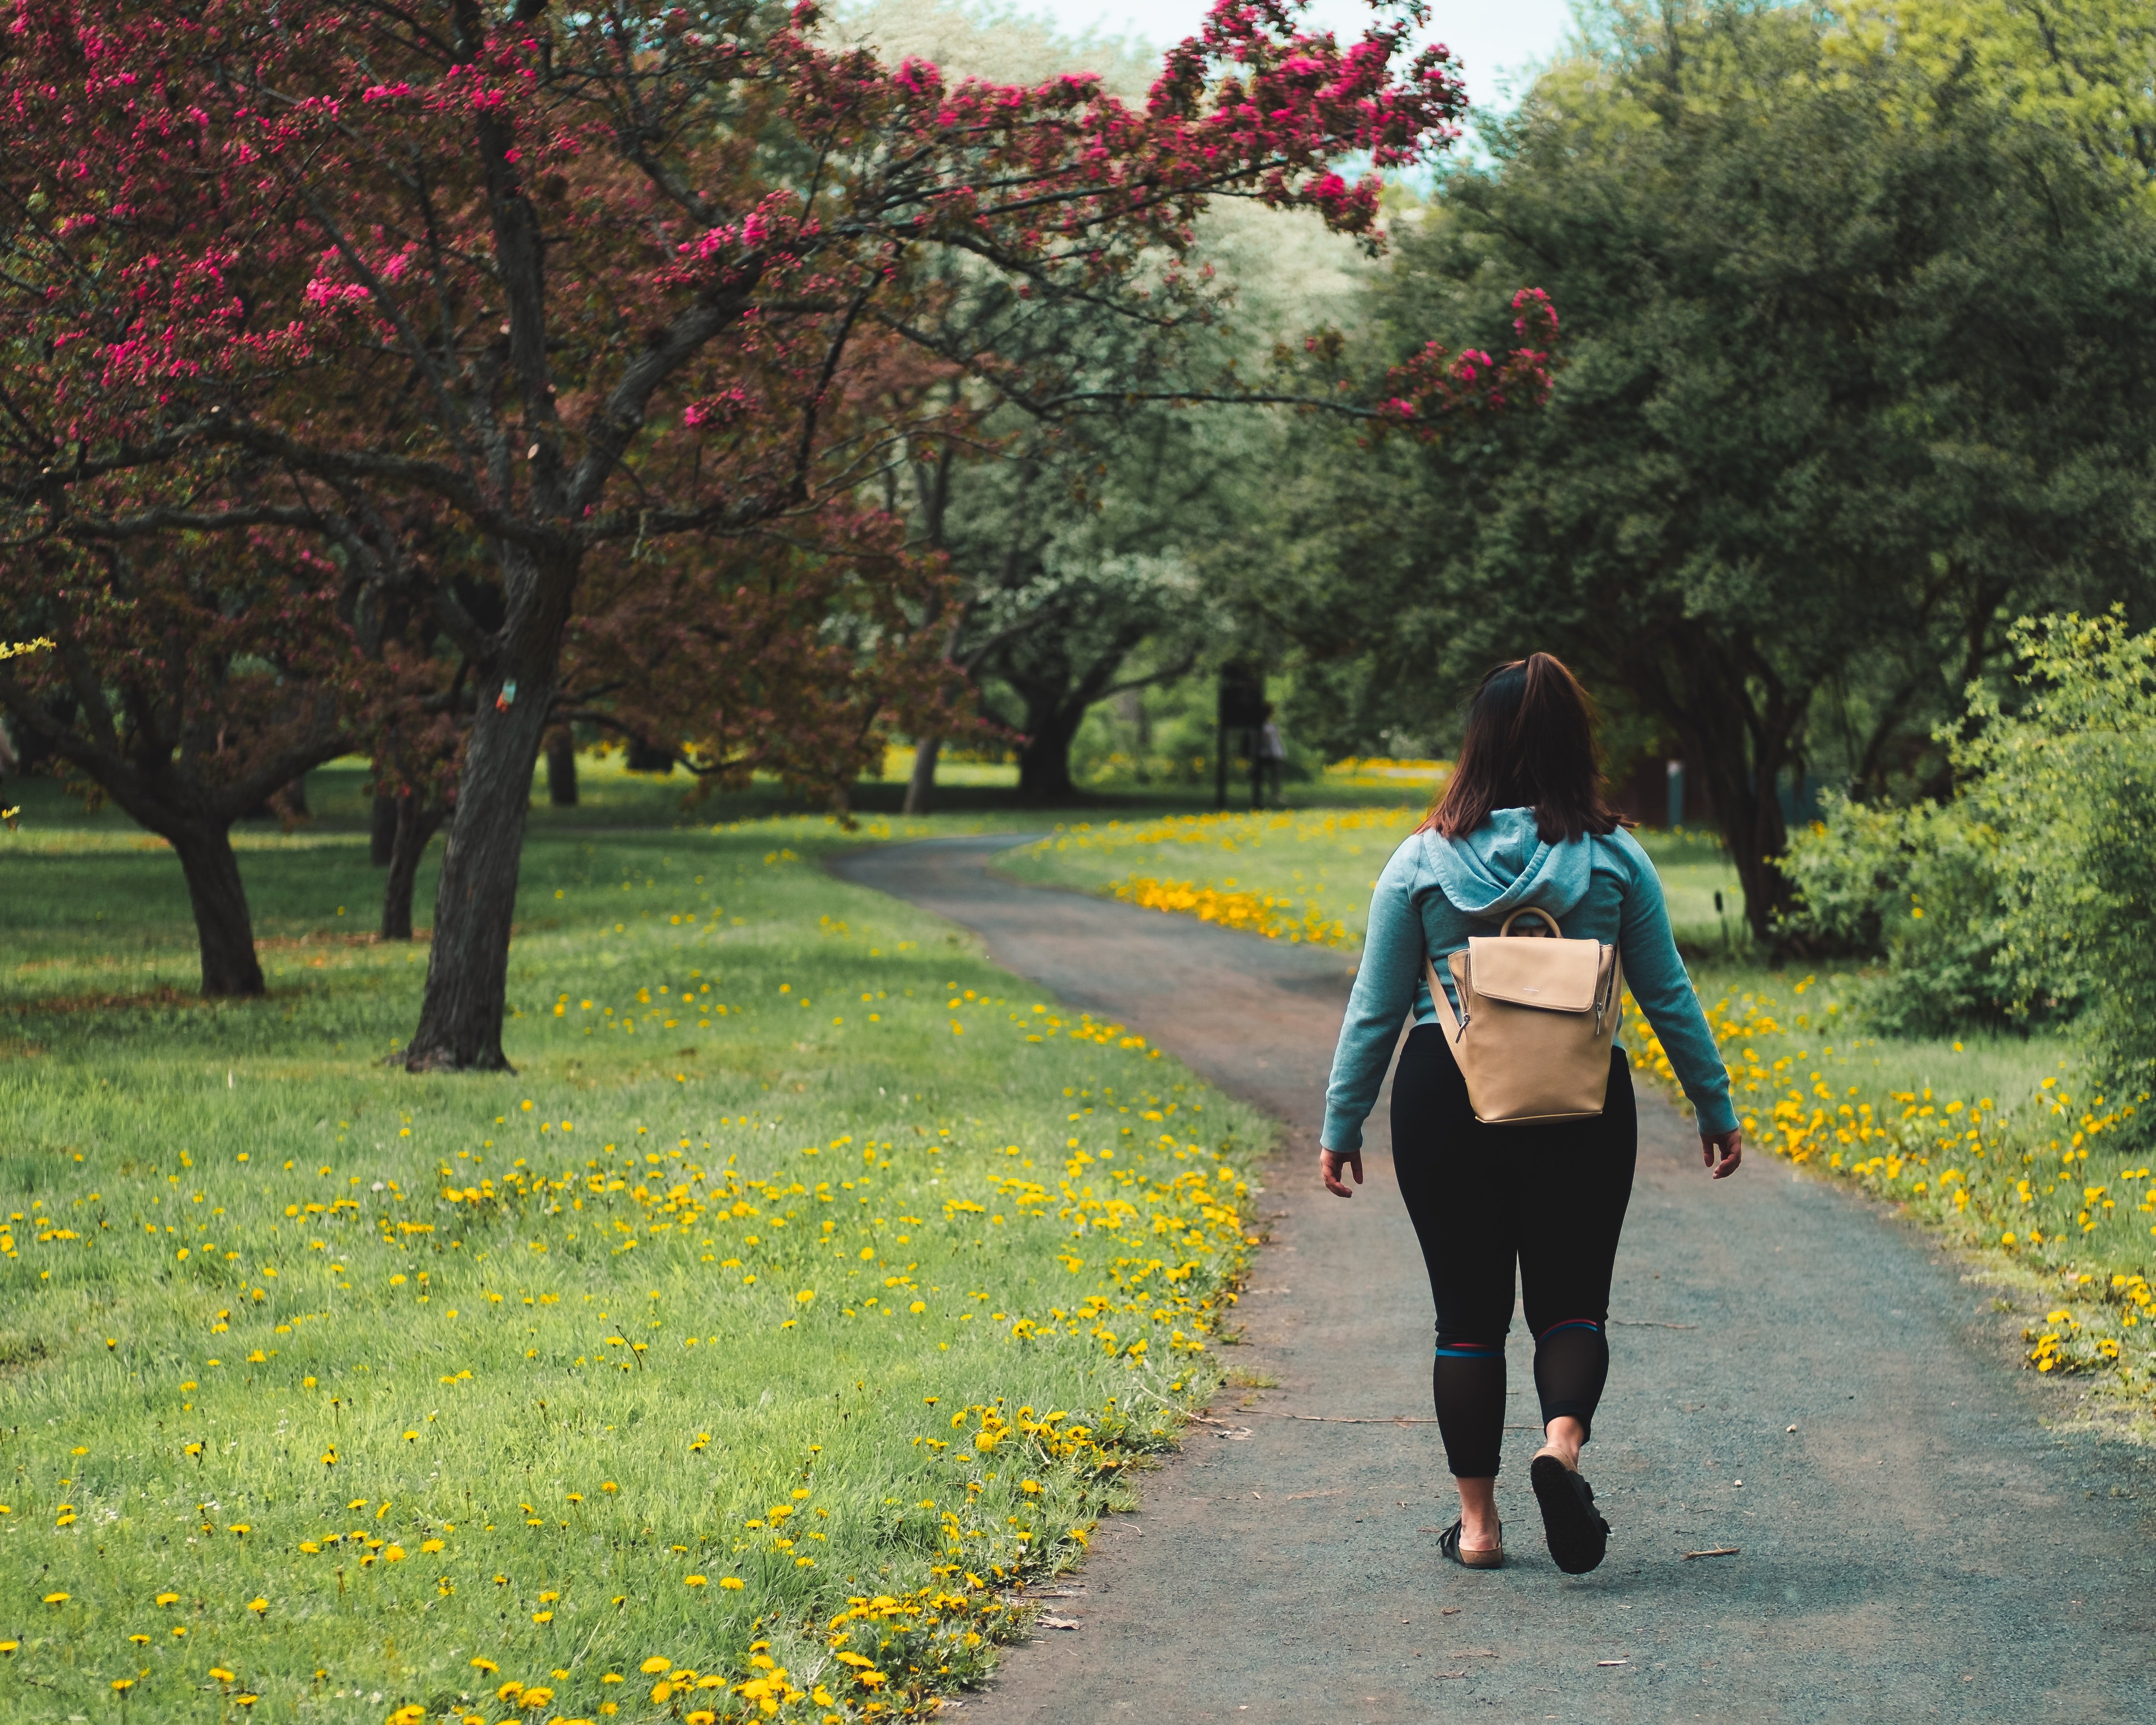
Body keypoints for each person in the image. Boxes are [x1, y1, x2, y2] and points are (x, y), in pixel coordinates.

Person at [1317, 653, 1742, 1576]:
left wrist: (1340, 1122)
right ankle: (1558, 1448)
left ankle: (1476, 1527)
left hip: (1445, 1094)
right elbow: (1667, 994)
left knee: (1465, 1320)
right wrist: (1712, 1104)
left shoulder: (1421, 859)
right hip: (1580, 1097)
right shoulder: (1611, 857)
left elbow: (1375, 1006)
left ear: (1475, 745)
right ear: (1570, 746)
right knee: (1569, 1304)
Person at [1254, 704, 1287, 810]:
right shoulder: (1263, 727)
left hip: (1273, 754)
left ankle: (1275, 795)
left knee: (1275, 775)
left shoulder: (1270, 726)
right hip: (1265, 754)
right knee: (1265, 776)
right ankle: (1267, 796)